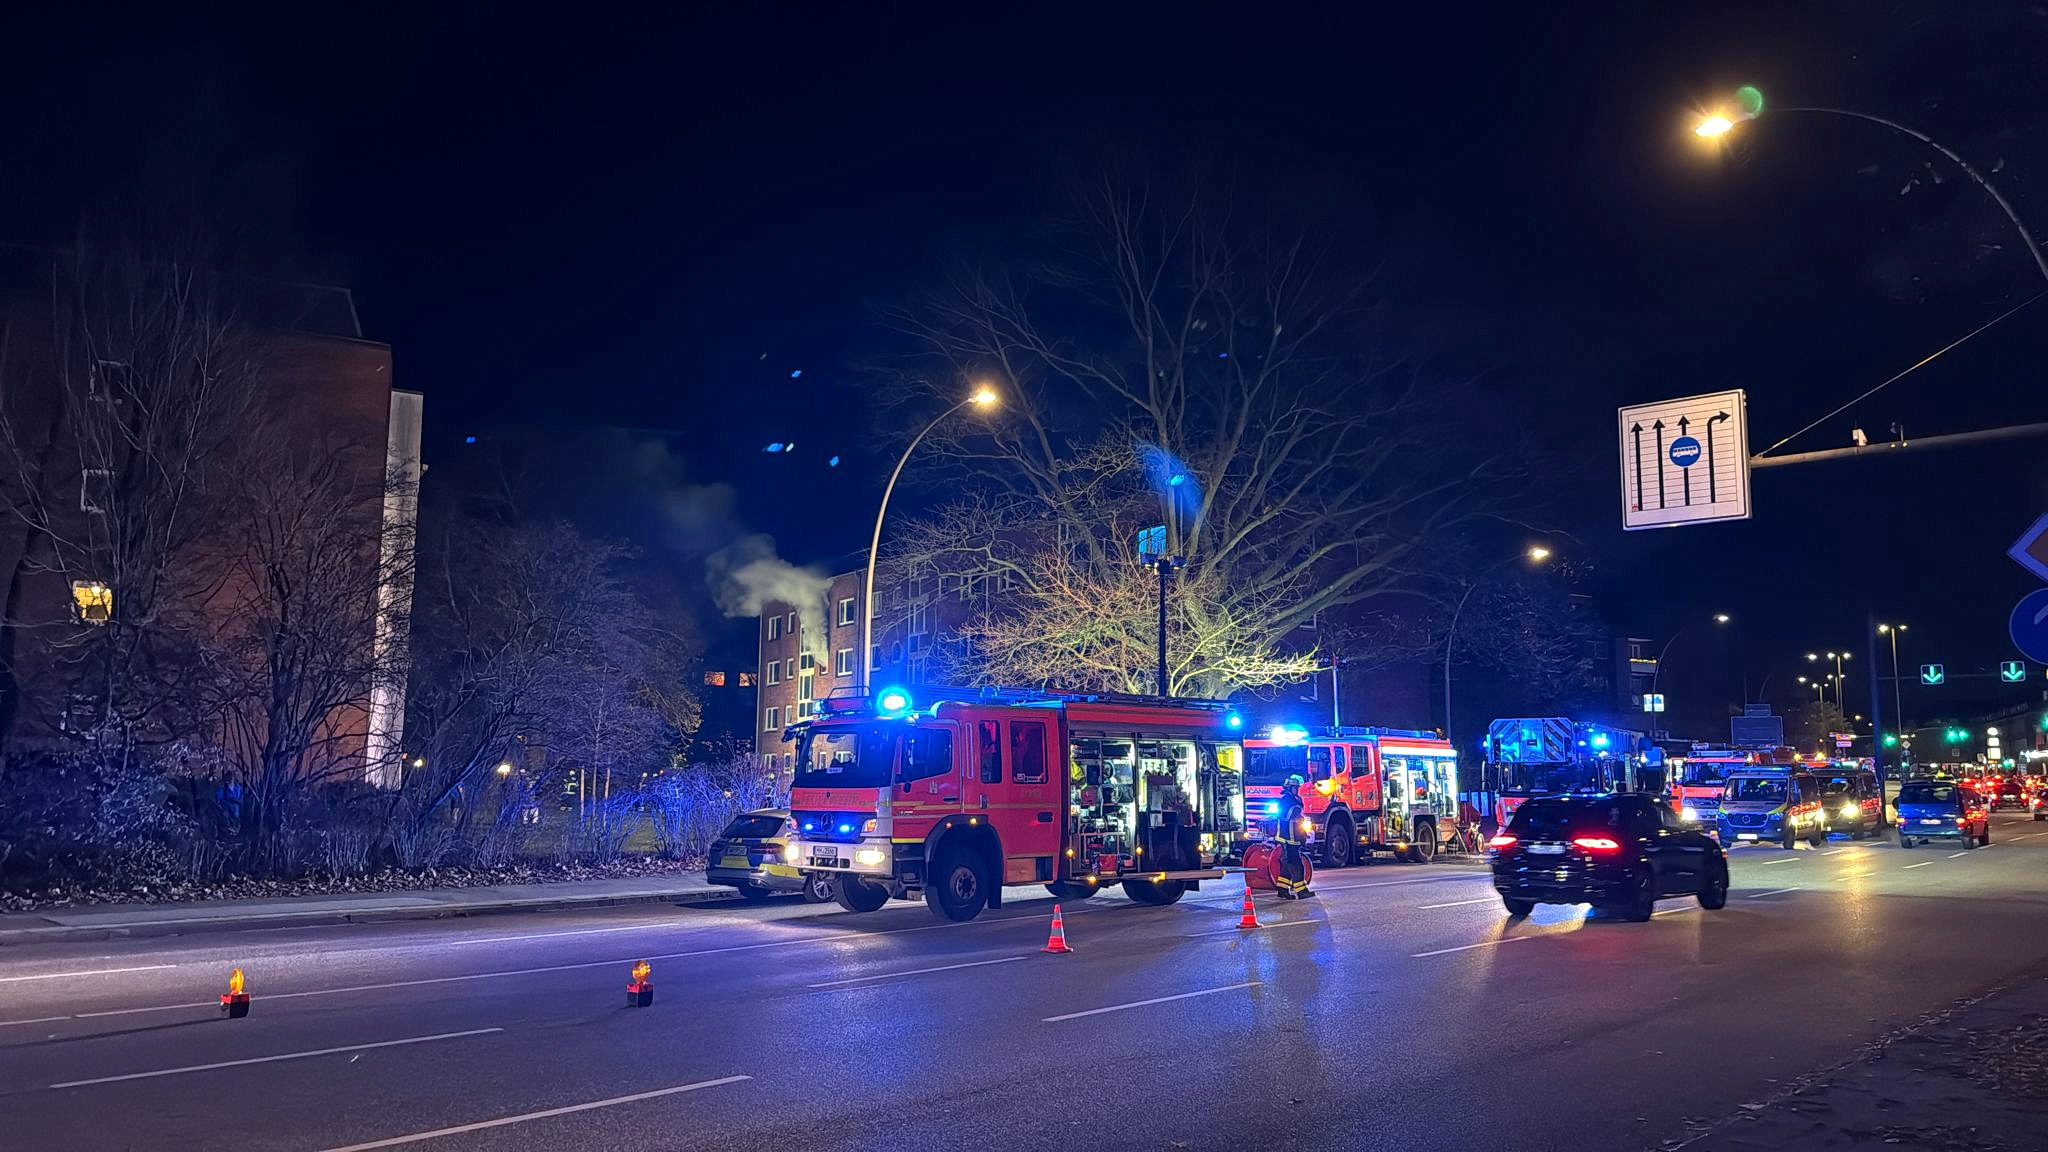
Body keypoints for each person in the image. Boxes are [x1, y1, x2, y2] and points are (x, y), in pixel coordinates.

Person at [1274, 774, 1312, 899]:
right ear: (1290, 788)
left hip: (1290, 837)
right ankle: (1301, 891)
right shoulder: (1288, 801)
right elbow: (1291, 815)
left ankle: (1282, 889)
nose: (1298, 790)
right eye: (1296, 788)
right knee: (1296, 864)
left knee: (1287, 864)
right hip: (1289, 838)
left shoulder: (1290, 800)